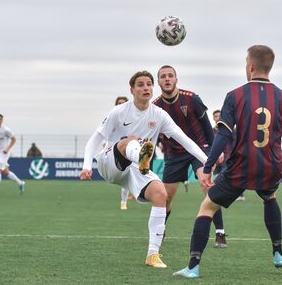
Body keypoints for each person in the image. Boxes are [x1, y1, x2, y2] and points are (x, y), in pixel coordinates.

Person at [173, 45, 282, 278]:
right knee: (269, 196)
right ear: (270, 66)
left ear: (250, 66)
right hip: (271, 166)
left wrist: (208, 167)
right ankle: (278, 254)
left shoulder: (234, 95)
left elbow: (224, 135)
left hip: (240, 167)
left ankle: (193, 267)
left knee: (207, 207)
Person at [80, 70, 208, 268]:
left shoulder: (159, 115)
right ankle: (140, 154)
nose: (146, 87)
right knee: (128, 141)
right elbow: (94, 140)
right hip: (110, 163)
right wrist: (87, 166)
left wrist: (207, 161)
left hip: (137, 168)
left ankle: (152, 255)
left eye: (149, 84)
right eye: (140, 84)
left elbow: (185, 140)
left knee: (161, 194)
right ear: (132, 90)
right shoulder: (119, 111)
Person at [153, 65, 227, 248]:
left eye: (171, 76)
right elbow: (152, 134)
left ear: (176, 79)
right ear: (159, 81)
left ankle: (220, 233)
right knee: (165, 197)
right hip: (174, 154)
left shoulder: (192, 98)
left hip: (199, 150)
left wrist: (215, 152)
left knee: (207, 185)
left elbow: (208, 127)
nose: (167, 79)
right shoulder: (155, 106)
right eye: (163, 76)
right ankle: (160, 231)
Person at [0, 114, 25, 197]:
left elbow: (14, 139)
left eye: (0, 119)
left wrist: (7, 148)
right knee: (6, 172)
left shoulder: (6, 130)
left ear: (2, 120)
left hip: (5, 153)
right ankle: (20, 183)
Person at [212, 109, 245, 201]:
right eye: (216, 116)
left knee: (226, 176)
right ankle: (220, 195)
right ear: (213, 118)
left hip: (228, 157)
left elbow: (236, 142)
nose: (217, 117)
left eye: (219, 116)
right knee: (216, 176)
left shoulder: (230, 130)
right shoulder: (212, 131)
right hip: (216, 158)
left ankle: (239, 195)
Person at [114, 96, 133, 210]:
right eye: (119, 103)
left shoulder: (133, 119)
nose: (121, 105)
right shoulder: (112, 118)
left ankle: (123, 202)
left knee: (127, 178)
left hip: (128, 151)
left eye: (123, 103)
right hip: (114, 151)